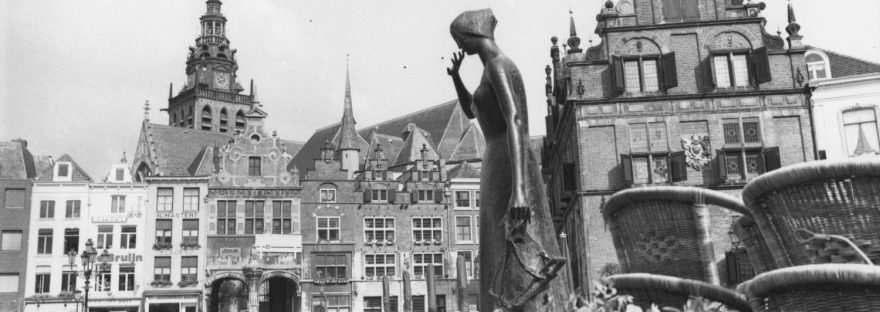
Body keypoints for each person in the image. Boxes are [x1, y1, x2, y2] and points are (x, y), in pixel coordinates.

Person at [447, 8, 569, 311]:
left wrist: (519, 190)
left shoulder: (499, 67)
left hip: (508, 161)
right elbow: (472, 110)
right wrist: (456, 79)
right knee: (497, 244)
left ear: (473, 33)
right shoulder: (489, 69)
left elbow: (514, 120)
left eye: (460, 38)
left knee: (516, 240)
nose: (460, 45)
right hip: (495, 162)